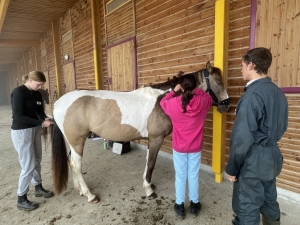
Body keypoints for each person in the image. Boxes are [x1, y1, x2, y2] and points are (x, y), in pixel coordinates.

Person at [226, 47, 288, 225]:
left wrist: (232, 167)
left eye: (242, 65)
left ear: (251, 65)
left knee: (247, 207)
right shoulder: (278, 93)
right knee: (269, 200)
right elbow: (282, 126)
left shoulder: (252, 95)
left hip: (253, 160)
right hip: (273, 156)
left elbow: (242, 138)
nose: (241, 69)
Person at [160, 74, 212, 219]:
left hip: (179, 148)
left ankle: (180, 205)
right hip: (195, 147)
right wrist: (197, 90)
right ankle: (194, 205)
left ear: (181, 87)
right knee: (193, 175)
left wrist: (174, 91)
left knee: (181, 176)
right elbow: (209, 98)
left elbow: (163, 102)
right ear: (195, 86)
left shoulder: (173, 103)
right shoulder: (203, 101)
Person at [11, 71, 54, 211]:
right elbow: (18, 116)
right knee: (28, 165)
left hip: (35, 130)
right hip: (22, 131)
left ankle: (38, 187)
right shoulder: (18, 92)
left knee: (37, 160)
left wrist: (45, 118)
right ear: (30, 80)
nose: (40, 86)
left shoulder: (37, 94)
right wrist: (41, 123)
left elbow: (40, 112)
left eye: (42, 84)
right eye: (38, 84)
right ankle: (21, 198)